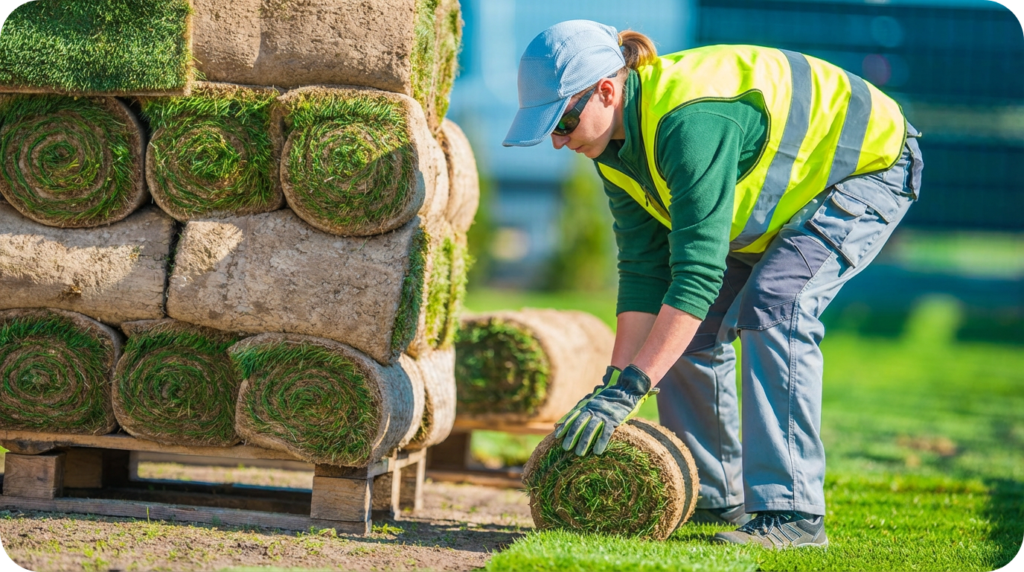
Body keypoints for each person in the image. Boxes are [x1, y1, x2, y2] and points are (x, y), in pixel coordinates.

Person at [502, 20, 923, 549]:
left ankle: (793, 514)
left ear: (606, 90)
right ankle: (714, 492)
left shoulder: (688, 124)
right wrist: (615, 382)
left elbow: (697, 276)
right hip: (789, 198)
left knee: (777, 302)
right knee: (686, 331)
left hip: (870, 164)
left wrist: (635, 386)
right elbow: (644, 272)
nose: (559, 142)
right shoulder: (611, 147)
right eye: (549, 131)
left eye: (562, 121)